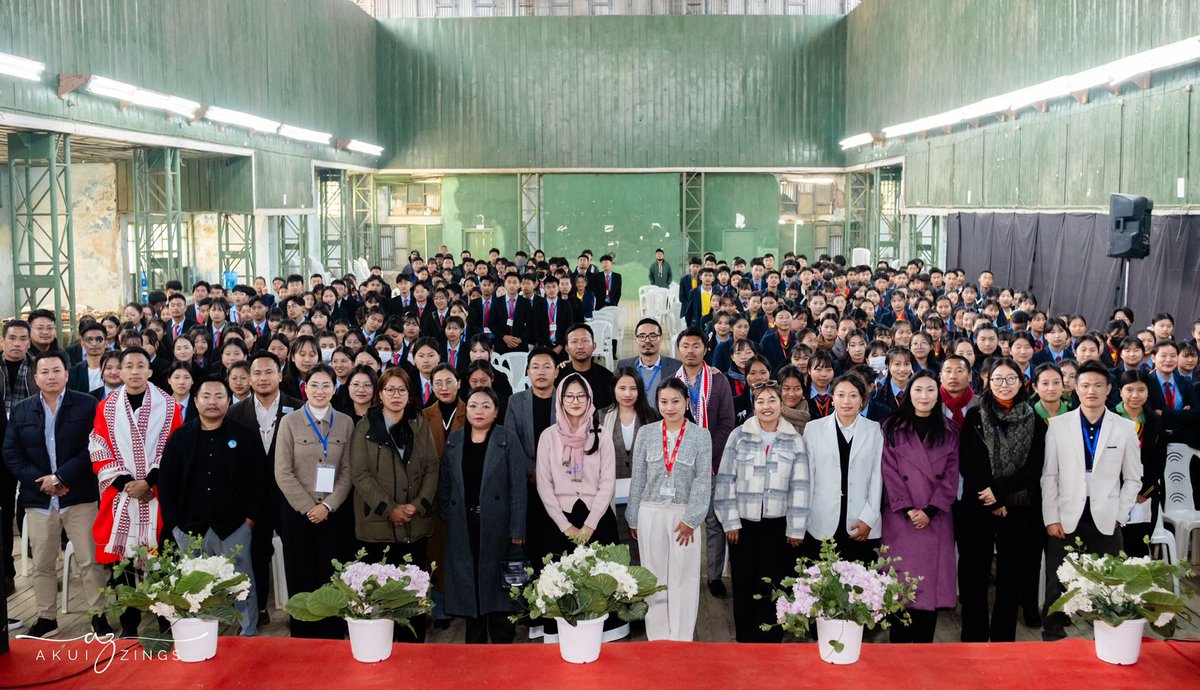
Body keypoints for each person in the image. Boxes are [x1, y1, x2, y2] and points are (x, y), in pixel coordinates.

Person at [3, 351, 107, 637]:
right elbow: (11, 452)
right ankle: (46, 616)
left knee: (90, 561)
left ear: (66, 374)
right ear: (35, 378)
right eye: (44, 372)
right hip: (39, 499)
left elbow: (94, 446)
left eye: (56, 370)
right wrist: (42, 482)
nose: (51, 376)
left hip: (79, 495)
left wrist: (61, 477)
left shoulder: (87, 404)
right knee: (43, 563)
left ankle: (98, 615)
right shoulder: (22, 410)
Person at [1041, 360, 1142, 641]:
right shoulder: (1058, 426)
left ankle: (1108, 633)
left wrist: (1120, 514)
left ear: (1109, 389)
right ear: (1075, 388)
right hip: (1066, 514)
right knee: (1058, 578)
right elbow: (1049, 475)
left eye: (1098, 385)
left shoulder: (1125, 428)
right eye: (1085, 385)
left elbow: (1133, 478)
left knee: (1110, 579)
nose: (1091, 391)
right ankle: (1053, 631)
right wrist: (1051, 518)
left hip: (1107, 515)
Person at [158, 378, 267, 636]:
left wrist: (249, 521)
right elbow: (166, 482)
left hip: (234, 527)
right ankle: (199, 634)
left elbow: (261, 481)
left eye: (219, 396)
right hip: (189, 528)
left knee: (241, 583)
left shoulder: (245, 436)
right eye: (206, 396)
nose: (212, 402)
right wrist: (174, 524)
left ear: (229, 401)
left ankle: (248, 633)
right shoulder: (180, 438)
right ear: (195, 402)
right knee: (194, 587)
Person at [89, 346, 183, 637]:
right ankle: (129, 622)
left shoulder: (169, 406)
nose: (134, 371)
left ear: (150, 371)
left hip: (157, 494)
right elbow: (98, 446)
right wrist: (126, 483)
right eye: (128, 366)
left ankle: (165, 619)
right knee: (125, 562)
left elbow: (174, 448)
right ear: (119, 371)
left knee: (161, 560)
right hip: (121, 495)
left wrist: (150, 481)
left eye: (140, 366)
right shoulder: (106, 407)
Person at [957, 358, 1046, 643]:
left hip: (1018, 508)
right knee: (975, 572)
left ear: (1022, 382)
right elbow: (968, 461)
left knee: (1010, 575)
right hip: (979, 503)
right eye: (997, 379)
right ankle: (973, 635)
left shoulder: (1034, 419)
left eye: (1010, 379)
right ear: (988, 382)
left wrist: (1001, 493)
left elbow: (1034, 467)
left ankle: (1003, 639)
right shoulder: (975, 416)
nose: (1003, 385)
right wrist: (992, 497)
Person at [347, 367, 439, 643]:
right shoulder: (365, 427)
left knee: (412, 594)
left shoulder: (419, 425)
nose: (396, 395)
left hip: (414, 523)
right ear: (380, 394)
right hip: (377, 526)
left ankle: (413, 650)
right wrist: (389, 509)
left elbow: (432, 467)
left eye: (402, 390)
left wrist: (417, 505)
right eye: (390, 390)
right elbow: (360, 474)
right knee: (379, 596)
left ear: (409, 394)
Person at [714, 381, 808, 643]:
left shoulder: (794, 440)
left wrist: (796, 528)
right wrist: (730, 522)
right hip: (743, 524)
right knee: (744, 581)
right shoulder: (739, 435)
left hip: (778, 525)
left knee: (773, 582)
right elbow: (725, 480)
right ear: (753, 405)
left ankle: (771, 640)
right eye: (760, 401)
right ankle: (745, 639)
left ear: (781, 404)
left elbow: (801, 485)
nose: (766, 406)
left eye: (772, 400)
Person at [535, 374, 625, 639]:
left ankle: (602, 638)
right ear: (560, 400)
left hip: (596, 519)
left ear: (590, 399)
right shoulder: (548, 436)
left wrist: (590, 524)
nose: (575, 401)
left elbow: (607, 482)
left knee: (600, 582)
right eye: (569, 396)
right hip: (559, 520)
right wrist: (565, 526)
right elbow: (544, 484)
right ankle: (564, 638)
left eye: (581, 396)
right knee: (561, 583)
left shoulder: (601, 435)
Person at [437, 387, 527, 644]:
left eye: (486, 406)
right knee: (470, 589)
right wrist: (451, 514)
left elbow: (518, 489)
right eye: (473, 405)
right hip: (464, 526)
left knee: (501, 594)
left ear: (496, 412)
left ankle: (503, 646)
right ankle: (474, 650)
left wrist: (517, 531)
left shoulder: (507, 439)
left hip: (499, 527)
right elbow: (444, 485)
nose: (479, 411)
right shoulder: (455, 440)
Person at [627, 378, 712, 641]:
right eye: (663, 402)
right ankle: (658, 637)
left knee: (684, 576)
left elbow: (702, 480)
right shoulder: (646, 433)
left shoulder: (701, 436)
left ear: (687, 402)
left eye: (675, 401)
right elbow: (638, 477)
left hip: (684, 515)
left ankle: (681, 637)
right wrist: (633, 518)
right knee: (653, 576)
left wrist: (692, 519)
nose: (669, 407)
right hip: (650, 512)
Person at [274, 364, 356, 639]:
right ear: (305, 388)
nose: (320, 391)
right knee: (301, 576)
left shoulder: (345, 422)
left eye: (326, 385)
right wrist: (310, 508)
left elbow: (348, 471)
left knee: (332, 576)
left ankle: (332, 635)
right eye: (314, 385)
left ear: (335, 389)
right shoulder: (289, 422)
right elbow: (282, 471)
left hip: (334, 514)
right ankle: (303, 637)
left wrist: (327, 506)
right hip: (298, 514)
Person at [879, 370, 960, 643]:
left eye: (930, 390)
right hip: (900, 519)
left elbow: (950, 477)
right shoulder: (891, 427)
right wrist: (908, 509)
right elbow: (889, 472)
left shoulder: (950, 431)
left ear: (938, 395)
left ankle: (925, 651)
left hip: (935, 519)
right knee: (900, 588)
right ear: (908, 393)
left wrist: (931, 511)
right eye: (918, 390)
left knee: (928, 591)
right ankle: (898, 648)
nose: (924, 396)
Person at [228, 352, 302, 621]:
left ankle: (299, 609)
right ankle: (257, 609)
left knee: (295, 552)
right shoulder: (235, 413)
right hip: (252, 499)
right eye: (257, 373)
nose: (263, 378)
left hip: (289, 497)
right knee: (255, 554)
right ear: (249, 379)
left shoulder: (298, 408)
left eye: (269, 372)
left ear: (280, 376)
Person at [673, 327, 736, 598]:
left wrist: (707, 453)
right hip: (680, 464)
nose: (690, 351)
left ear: (705, 349)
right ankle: (680, 574)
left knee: (713, 522)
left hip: (712, 462)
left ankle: (714, 576)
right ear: (678, 350)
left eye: (696, 345)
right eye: (685, 346)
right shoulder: (672, 381)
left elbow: (727, 422)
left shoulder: (719, 381)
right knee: (680, 520)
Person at [801, 374, 884, 564]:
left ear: (862, 400)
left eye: (853, 395)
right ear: (833, 398)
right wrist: (804, 519)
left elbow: (876, 478)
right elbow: (807, 479)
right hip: (820, 521)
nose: (846, 401)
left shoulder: (874, 430)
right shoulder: (813, 429)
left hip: (859, 521)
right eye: (840, 395)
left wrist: (869, 518)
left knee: (858, 578)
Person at [502, 349, 559, 573]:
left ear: (556, 371)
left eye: (547, 367)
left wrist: (549, 472)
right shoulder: (516, 402)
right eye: (535, 367)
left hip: (560, 482)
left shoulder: (565, 400)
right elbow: (511, 442)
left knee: (557, 543)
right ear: (527, 372)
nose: (541, 372)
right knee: (533, 542)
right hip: (528, 483)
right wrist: (533, 471)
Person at [599, 367, 659, 552]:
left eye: (633, 388)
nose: (627, 394)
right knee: (616, 549)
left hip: (644, 494)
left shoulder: (650, 416)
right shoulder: (601, 417)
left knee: (643, 548)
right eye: (622, 388)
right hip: (611, 495)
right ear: (613, 389)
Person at [1114, 369, 1167, 558]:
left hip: (1146, 494)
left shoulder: (1154, 420)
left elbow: (1159, 459)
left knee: (1140, 547)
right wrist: (1127, 490)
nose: (1135, 395)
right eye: (1129, 390)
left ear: (1148, 392)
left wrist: (1142, 490)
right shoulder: (1110, 418)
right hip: (1115, 492)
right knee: (1116, 547)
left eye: (1141, 390)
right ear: (1120, 391)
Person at [617, 318, 681, 411]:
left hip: (664, 417)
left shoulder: (676, 366)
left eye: (653, 336)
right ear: (636, 340)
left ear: (661, 339)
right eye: (642, 336)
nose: (647, 340)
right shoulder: (624, 365)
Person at [557, 324, 615, 409]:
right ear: (567, 349)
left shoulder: (607, 378)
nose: (580, 346)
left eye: (585, 341)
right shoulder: (558, 375)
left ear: (594, 346)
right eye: (574, 341)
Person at [66, 321, 108, 394]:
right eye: (89, 340)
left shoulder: (116, 370)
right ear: (82, 343)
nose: (94, 344)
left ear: (106, 343)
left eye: (99, 340)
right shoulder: (73, 373)